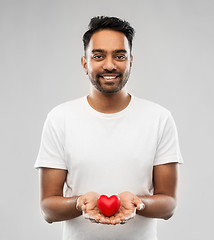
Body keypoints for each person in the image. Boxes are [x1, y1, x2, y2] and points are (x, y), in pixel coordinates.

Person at [34, 16, 183, 240]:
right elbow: (48, 209)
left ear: (130, 61)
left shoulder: (159, 118)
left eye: (119, 56)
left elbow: (169, 205)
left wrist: (138, 203)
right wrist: (79, 203)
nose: (110, 65)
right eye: (98, 56)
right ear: (85, 63)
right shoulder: (60, 118)